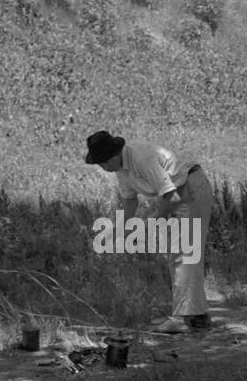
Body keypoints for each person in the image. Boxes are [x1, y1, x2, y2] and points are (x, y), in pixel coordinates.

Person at [85, 130, 212, 334]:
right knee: (179, 254)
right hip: (177, 192)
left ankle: (184, 318)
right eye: (100, 163)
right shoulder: (120, 169)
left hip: (191, 187)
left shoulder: (142, 158)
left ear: (115, 153)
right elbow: (129, 201)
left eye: (104, 162)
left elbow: (172, 196)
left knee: (185, 253)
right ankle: (196, 316)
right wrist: (118, 232)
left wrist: (151, 224)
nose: (103, 167)